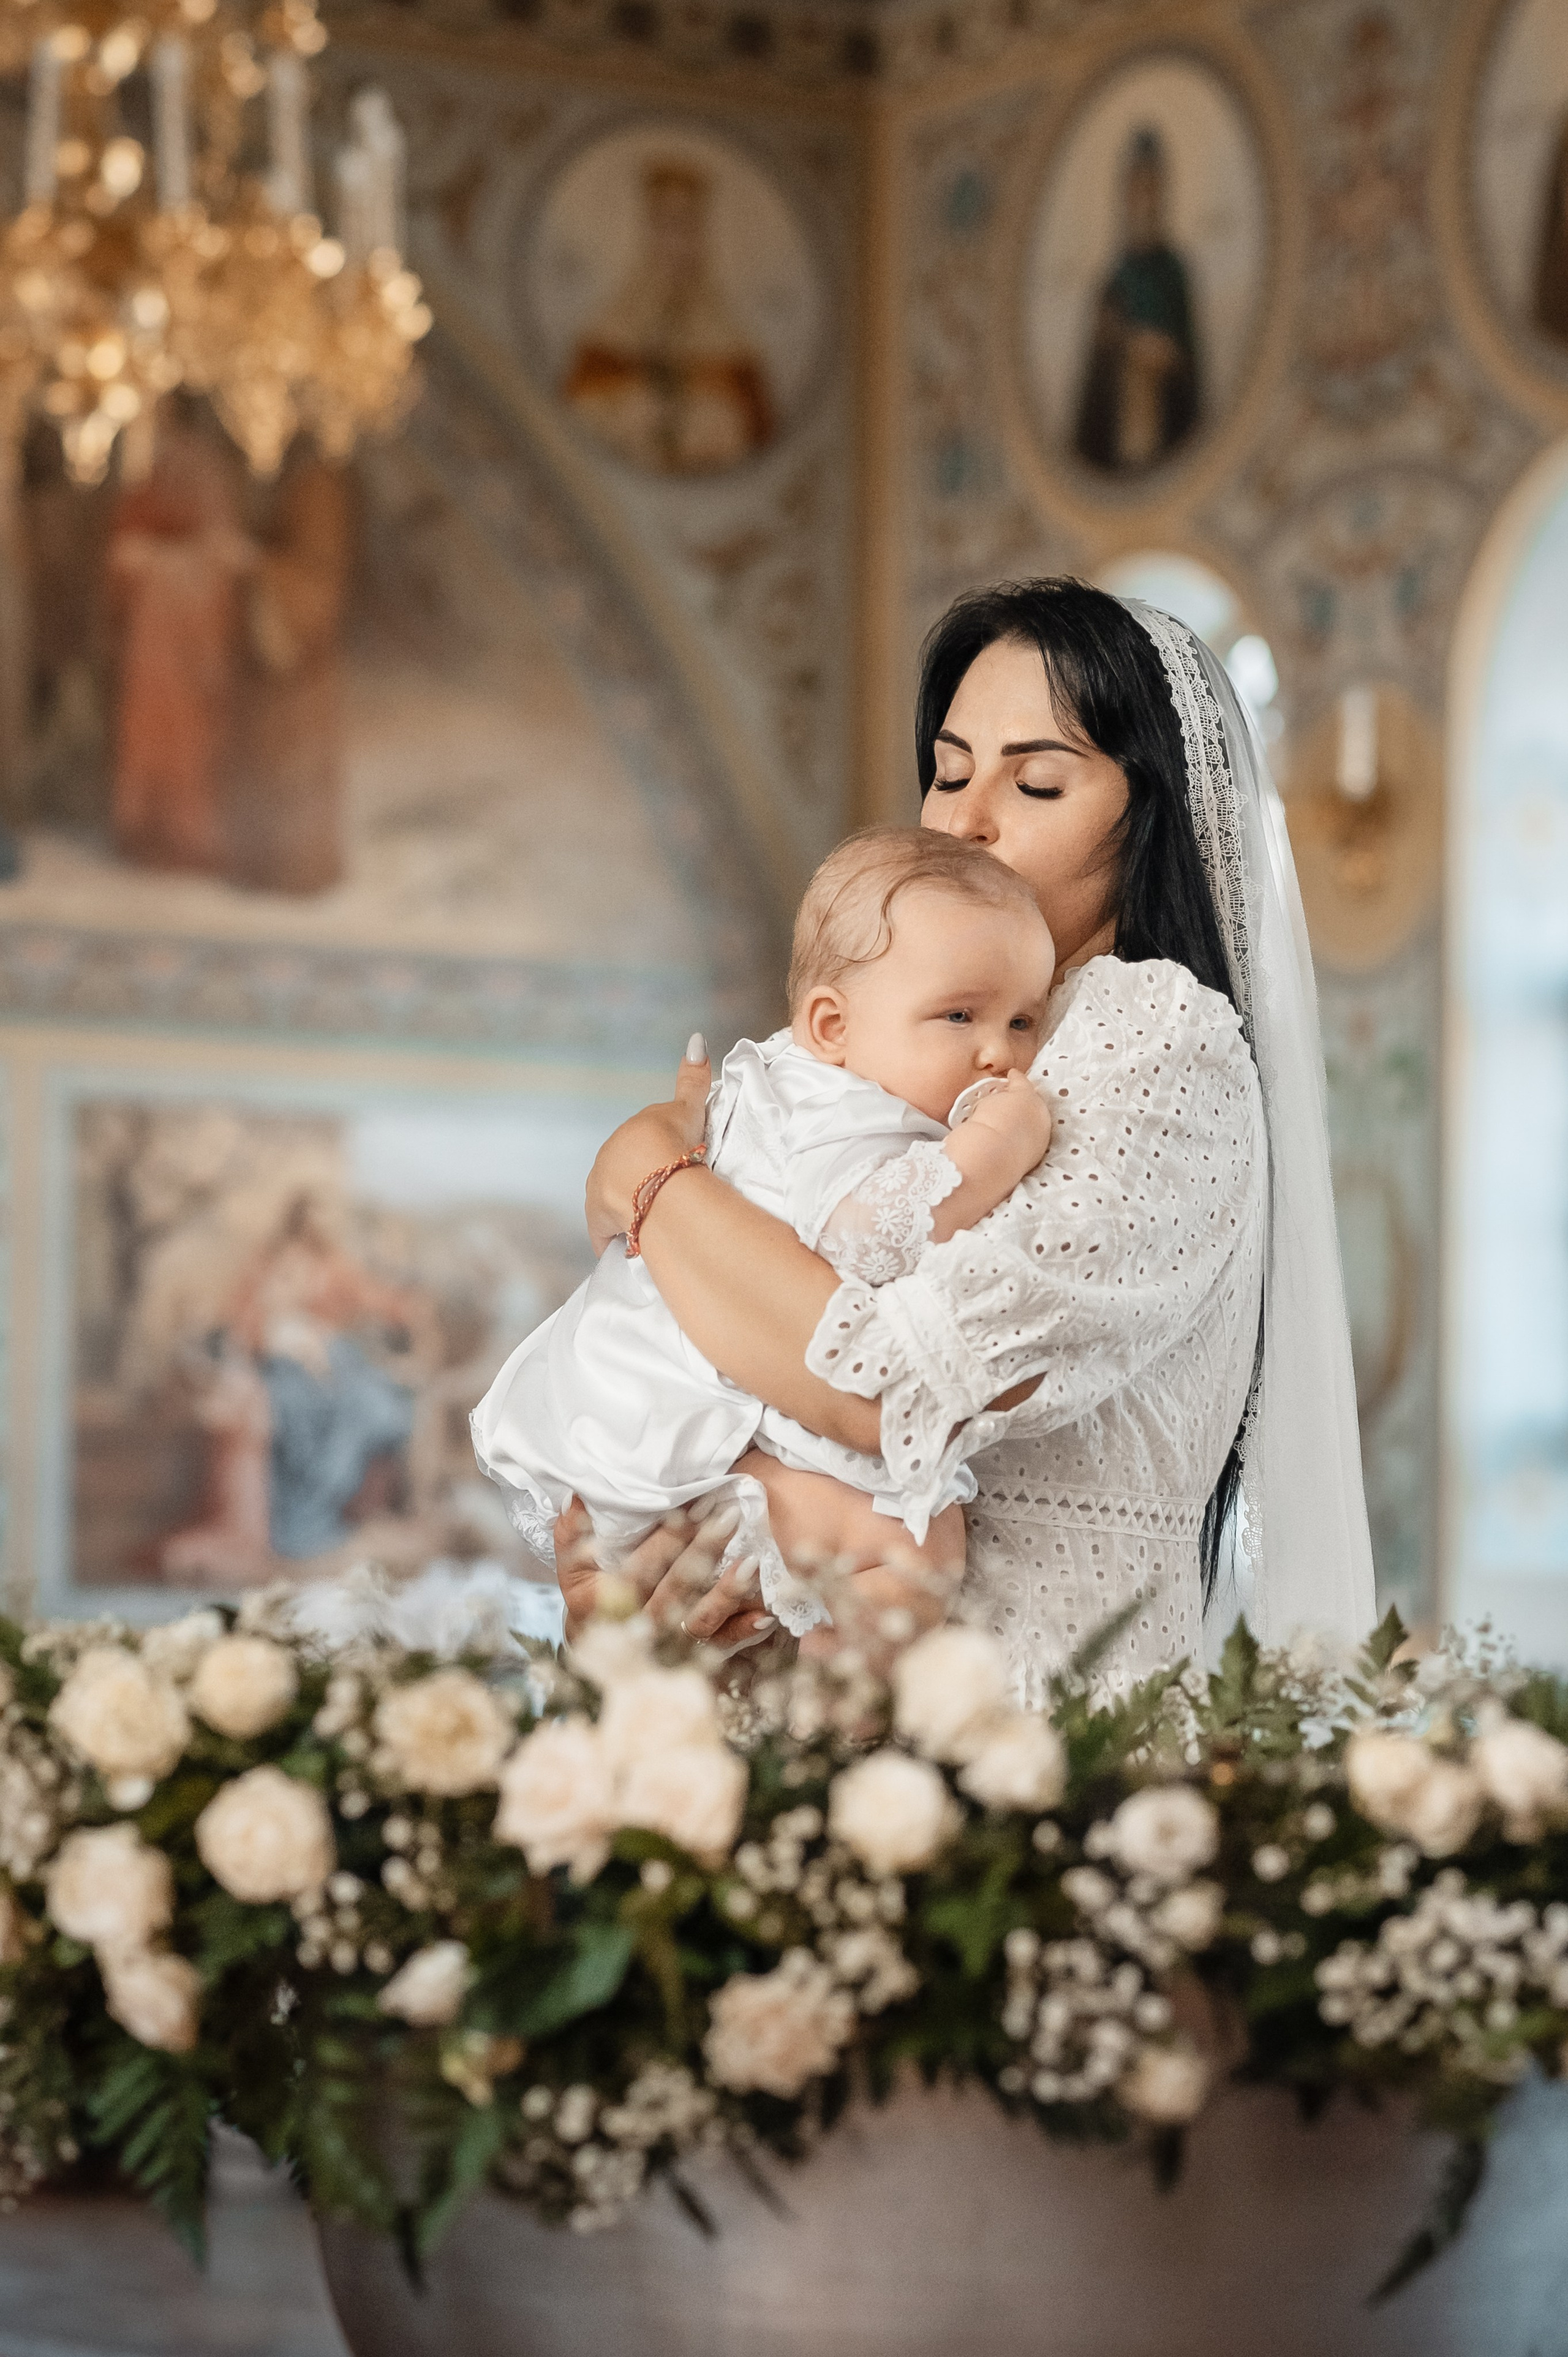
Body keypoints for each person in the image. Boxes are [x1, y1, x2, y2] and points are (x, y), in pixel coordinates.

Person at [556, 579, 1374, 1699]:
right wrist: (650, 1563)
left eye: (1035, 782)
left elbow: (885, 1385)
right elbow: (697, 1343)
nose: (966, 820)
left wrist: (652, 1177)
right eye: (948, 772)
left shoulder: (1154, 1034)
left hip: (1035, 1739)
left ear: (1150, 812)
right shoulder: (896, 1043)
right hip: (803, 1728)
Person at [474, 827, 1055, 1642]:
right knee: (917, 1551)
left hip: (645, 1422)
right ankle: (838, 1694)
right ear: (832, 1025)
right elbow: (861, 1237)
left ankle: (648, 1607)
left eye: (1024, 1021)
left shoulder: (782, 1080)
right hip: (708, 1427)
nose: (1000, 1053)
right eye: (959, 1015)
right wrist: (995, 1149)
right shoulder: (849, 1115)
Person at [562, 158, 775, 476]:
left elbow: (757, 431)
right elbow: (573, 417)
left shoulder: (726, 332)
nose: (675, 243)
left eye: (686, 226)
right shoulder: (615, 322)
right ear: (649, 232)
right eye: (665, 225)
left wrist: (699, 417)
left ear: (700, 236)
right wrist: (628, 407)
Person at [1072, 127, 1200, 476]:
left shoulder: (1173, 274)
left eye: (1151, 188)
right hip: (1119, 437)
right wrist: (1126, 346)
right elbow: (1096, 382)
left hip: (1166, 428)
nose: (1144, 200)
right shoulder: (1112, 285)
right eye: (1136, 189)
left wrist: (1167, 356)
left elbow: (1191, 366)